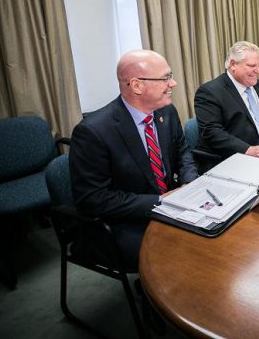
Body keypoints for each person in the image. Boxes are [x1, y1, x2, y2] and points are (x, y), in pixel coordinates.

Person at [69, 50, 197, 271]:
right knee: (180, 252)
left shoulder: (166, 112)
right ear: (136, 85)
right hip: (124, 220)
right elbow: (93, 199)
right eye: (166, 78)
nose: (173, 83)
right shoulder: (93, 132)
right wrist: (161, 200)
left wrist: (190, 184)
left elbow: (182, 151)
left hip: (169, 203)